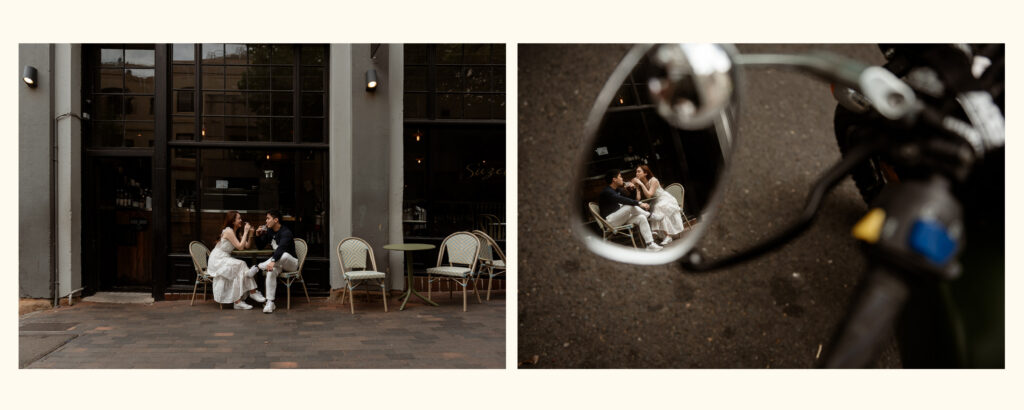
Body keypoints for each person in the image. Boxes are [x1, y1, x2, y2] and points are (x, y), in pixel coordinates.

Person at [207, 211, 267, 309]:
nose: (241, 220)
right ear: (233, 220)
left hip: (225, 258)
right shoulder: (228, 231)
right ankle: (252, 291)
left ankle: (238, 301)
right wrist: (246, 231)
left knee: (239, 269)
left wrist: (250, 233)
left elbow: (246, 246)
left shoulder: (236, 232)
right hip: (217, 259)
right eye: (239, 218)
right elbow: (239, 247)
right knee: (241, 264)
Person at [248, 210, 299, 313]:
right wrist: (257, 235)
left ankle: (258, 267)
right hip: (277, 263)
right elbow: (260, 247)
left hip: (291, 263)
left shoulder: (286, 232)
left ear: (276, 220)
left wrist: (273, 260)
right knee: (270, 271)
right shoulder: (270, 231)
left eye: (268, 218)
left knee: (283, 255)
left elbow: (281, 249)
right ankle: (270, 302)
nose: (266, 221)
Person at [598, 169, 661, 250]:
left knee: (641, 218)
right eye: (620, 176)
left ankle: (650, 244)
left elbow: (631, 199)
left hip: (620, 218)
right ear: (614, 179)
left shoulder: (617, 189)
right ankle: (650, 216)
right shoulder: (607, 192)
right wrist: (640, 204)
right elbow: (623, 200)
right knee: (629, 206)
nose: (622, 178)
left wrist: (633, 189)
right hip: (610, 221)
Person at [631, 165, 685, 245]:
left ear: (645, 173)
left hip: (665, 199)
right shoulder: (641, 183)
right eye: (636, 172)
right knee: (656, 210)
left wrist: (641, 185)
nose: (637, 173)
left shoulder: (653, 180)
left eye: (639, 171)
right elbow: (638, 199)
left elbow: (649, 195)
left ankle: (655, 231)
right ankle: (667, 236)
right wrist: (637, 187)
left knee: (658, 208)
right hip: (656, 201)